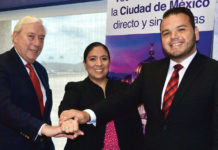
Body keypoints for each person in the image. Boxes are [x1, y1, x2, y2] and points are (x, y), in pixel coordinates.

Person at [60, 7, 218, 150]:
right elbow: (122, 100)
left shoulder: (213, 72)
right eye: (166, 33)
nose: (173, 37)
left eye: (181, 29)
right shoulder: (151, 71)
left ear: (196, 32)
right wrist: (87, 115)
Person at [0, 16, 73, 150]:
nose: (37, 43)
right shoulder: (3, 64)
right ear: (15, 37)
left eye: (41, 38)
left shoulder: (40, 70)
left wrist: (53, 130)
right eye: (31, 36)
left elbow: (42, 113)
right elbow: (4, 107)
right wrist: (43, 129)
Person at [59, 42, 144, 150]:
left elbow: (136, 128)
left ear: (109, 62)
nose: (99, 64)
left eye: (104, 59)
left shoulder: (124, 88)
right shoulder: (75, 88)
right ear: (85, 63)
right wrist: (67, 119)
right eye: (93, 59)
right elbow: (65, 110)